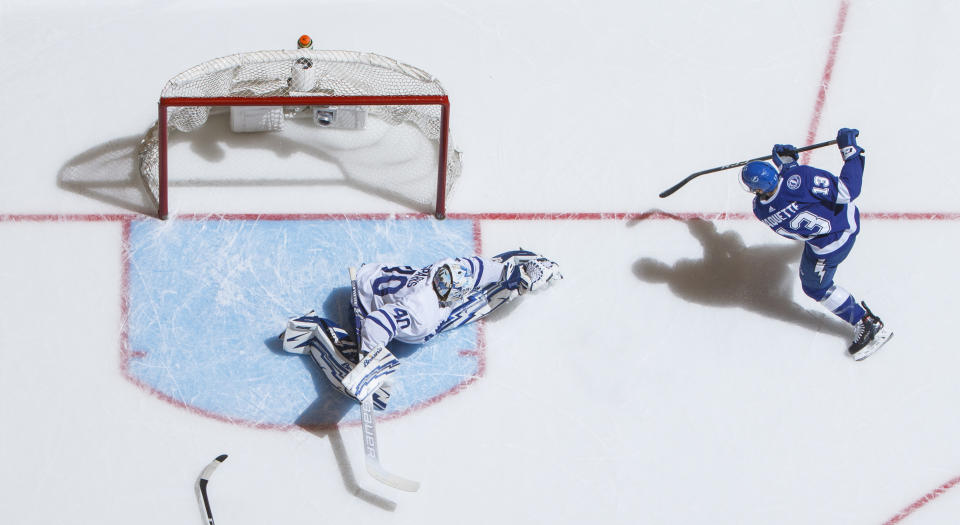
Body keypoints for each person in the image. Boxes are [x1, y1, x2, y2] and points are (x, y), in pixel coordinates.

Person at [280, 249, 562, 407]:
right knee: (354, 367)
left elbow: (486, 268)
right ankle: (311, 329)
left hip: (379, 281)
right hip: (366, 303)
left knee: (495, 286)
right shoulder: (420, 311)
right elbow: (377, 322)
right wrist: (369, 361)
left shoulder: (452, 268)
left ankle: (526, 269)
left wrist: (517, 275)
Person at [739, 128, 892, 361]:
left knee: (816, 287)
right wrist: (851, 153)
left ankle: (868, 324)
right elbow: (846, 191)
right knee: (814, 285)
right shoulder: (802, 178)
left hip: (828, 243)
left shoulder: (760, 210)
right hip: (838, 229)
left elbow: (788, 197)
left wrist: (788, 169)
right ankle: (865, 322)